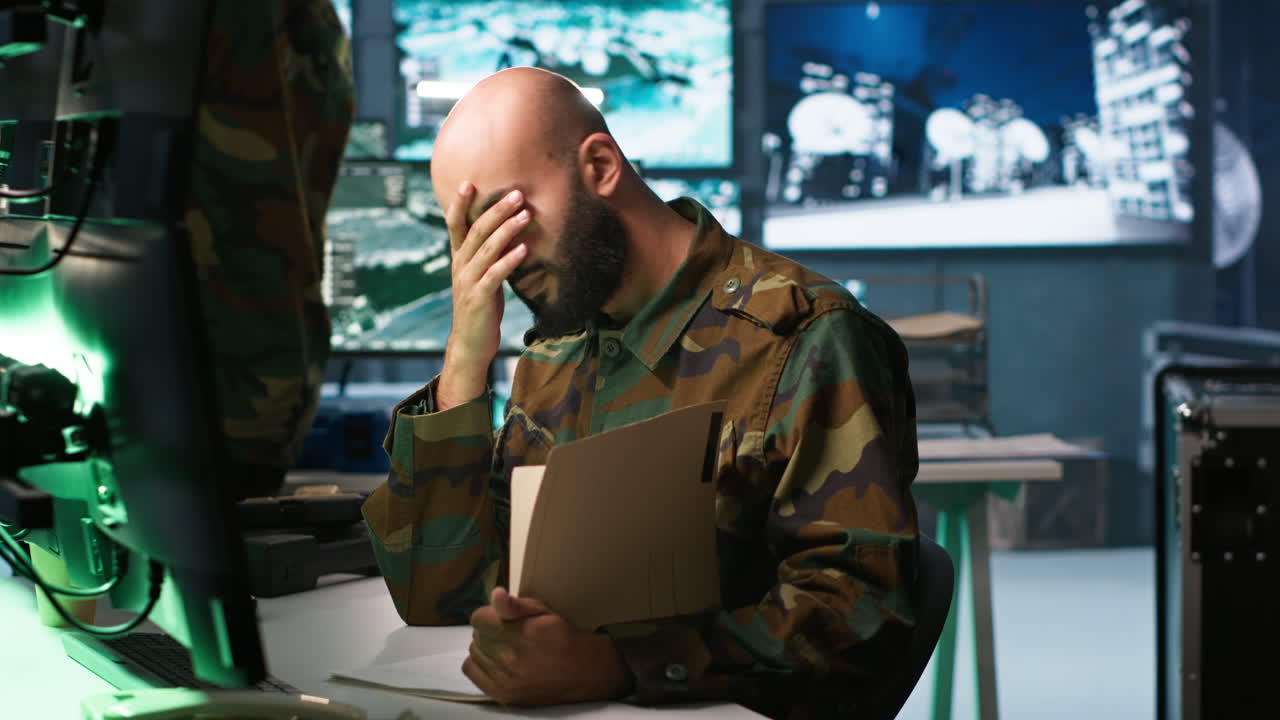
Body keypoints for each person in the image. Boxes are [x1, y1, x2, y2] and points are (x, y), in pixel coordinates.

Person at [360, 67, 919, 719]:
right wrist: (463, 363)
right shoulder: (557, 351)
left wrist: (623, 664)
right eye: (472, 235)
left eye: (510, 217)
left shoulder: (804, 338)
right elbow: (438, 598)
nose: (501, 259)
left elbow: (863, 611)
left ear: (599, 166)